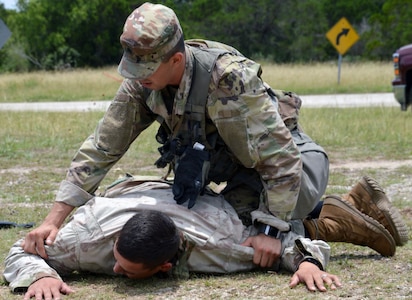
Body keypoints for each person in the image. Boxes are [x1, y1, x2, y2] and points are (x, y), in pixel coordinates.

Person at [22, 2, 408, 268]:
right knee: (226, 231)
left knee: (258, 241)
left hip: (295, 167)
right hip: (240, 173)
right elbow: (101, 148)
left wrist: (271, 229)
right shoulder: (144, 83)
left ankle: (332, 217)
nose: (136, 79)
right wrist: (54, 219)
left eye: (145, 69)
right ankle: (342, 210)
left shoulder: (228, 79)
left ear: (175, 58)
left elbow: (281, 159)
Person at [5, 179, 340, 300]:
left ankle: (339, 218)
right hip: (128, 193)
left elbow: (284, 244)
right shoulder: (83, 240)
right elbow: (21, 251)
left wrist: (307, 262)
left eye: (128, 270)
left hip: (206, 211)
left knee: (301, 220)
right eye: (117, 259)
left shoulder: (223, 246)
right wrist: (42, 274)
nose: (116, 272)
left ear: (164, 267)